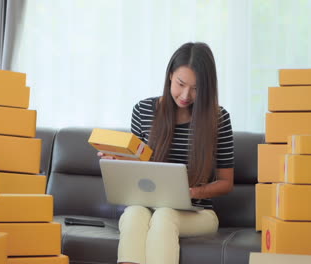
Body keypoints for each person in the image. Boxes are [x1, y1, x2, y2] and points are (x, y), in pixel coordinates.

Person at [98, 42, 234, 264]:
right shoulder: (143, 111)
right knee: (132, 214)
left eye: (196, 88)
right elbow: (140, 165)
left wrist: (192, 193)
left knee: (164, 216)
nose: (186, 95)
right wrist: (120, 161)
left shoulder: (218, 119)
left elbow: (226, 183)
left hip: (198, 213)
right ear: (170, 75)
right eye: (181, 84)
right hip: (147, 207)